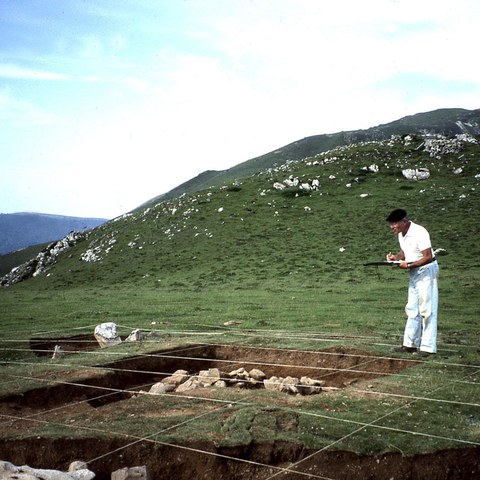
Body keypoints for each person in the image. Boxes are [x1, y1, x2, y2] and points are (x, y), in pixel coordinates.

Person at [385, 209, 439, 357]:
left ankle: (428, 347)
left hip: (426, 270)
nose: (392, 227)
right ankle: (410, 344)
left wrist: (408, 265)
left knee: (427, 309)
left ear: (404, 222)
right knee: (412, 308)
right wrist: (395, 257)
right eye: (391, 224)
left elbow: (427, 256)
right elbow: (405, 252)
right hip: (414, 271)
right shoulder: (401, 234)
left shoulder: (419, 232)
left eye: (394, 223)